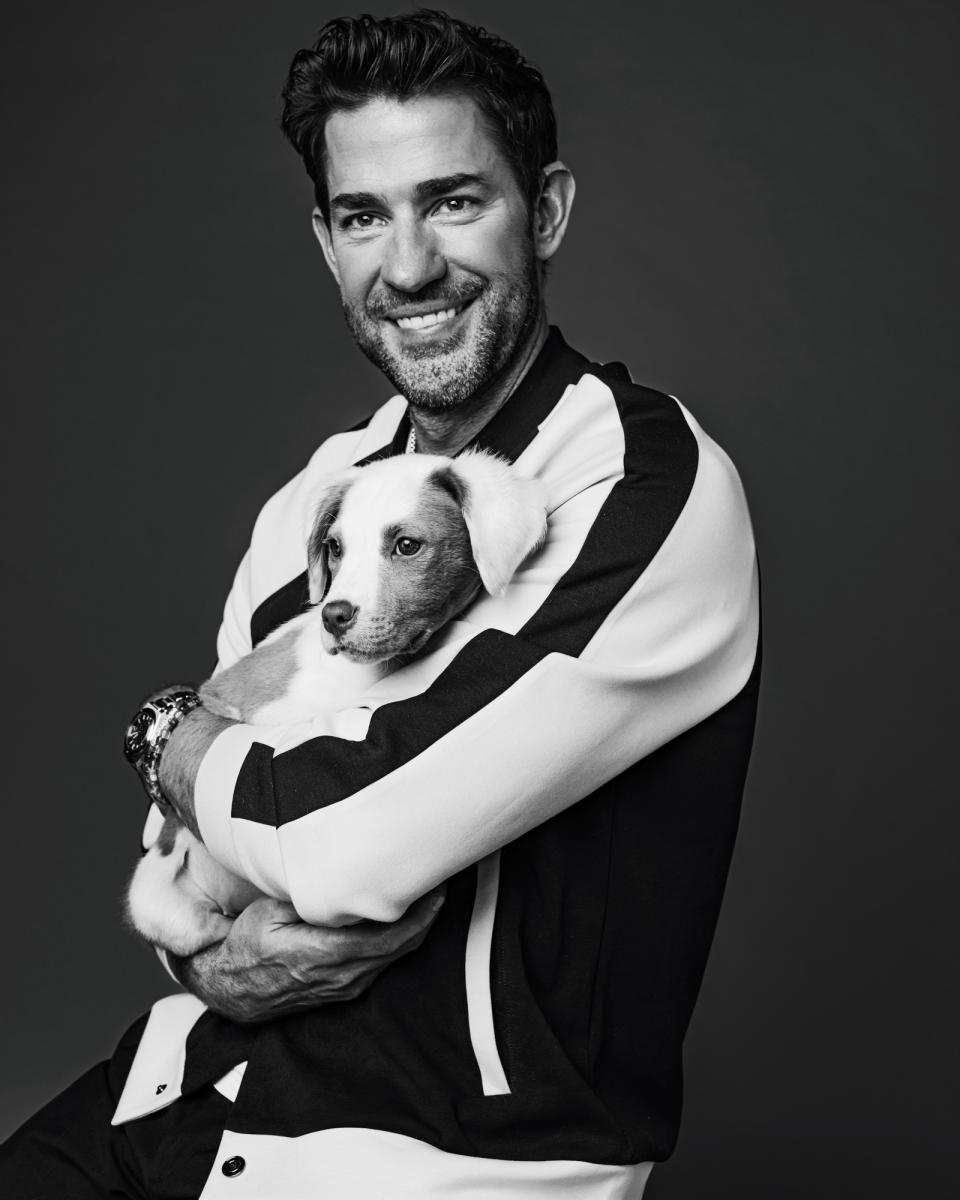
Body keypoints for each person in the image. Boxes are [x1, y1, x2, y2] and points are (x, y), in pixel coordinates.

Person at [0, 10, 760, 1198]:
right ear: (327, 242)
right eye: (364, 216)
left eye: (454, 201)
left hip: (430, 1155)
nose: (407, 267)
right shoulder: (316, 493)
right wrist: (204, 964)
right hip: (182, 1088)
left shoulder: (641, 481)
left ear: (547, 210)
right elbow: (195, 861)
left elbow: (337, 844)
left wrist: (163, 733)